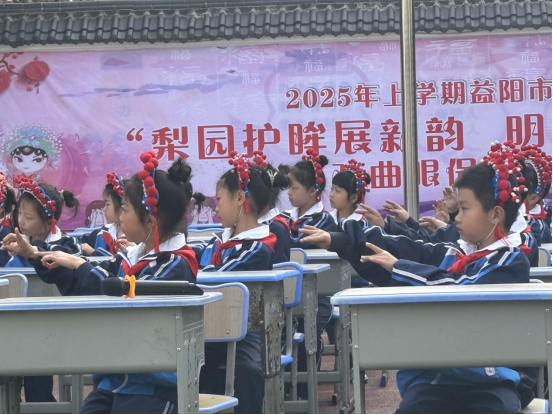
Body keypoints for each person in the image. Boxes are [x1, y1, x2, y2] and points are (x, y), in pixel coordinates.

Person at [301, 142, 537, 414]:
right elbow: (410, 248)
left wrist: (399, 267)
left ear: (495, 214)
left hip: (495, 381)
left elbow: (460, 288)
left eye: (464, 209)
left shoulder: (510, 260)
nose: (456, 218)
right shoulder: (455, 252)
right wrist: (339, 240)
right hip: (438, 378)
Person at [3, 152, 199, 414]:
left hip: (153, 386)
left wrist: (78, 264)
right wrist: (35, 254)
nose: (119, 217)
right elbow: (87, 283)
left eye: (125, 210)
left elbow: (119, 296)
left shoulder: (175, 264)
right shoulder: (132, 257)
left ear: (150, 221)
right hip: (116, 381)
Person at [194, 151, 288, 414]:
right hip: (209, 329)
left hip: (245, 334)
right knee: (185, 363)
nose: (215, 207)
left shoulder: (258, 248)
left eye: (219, 199)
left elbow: (215, 278)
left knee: (246, 371)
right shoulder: (220, 241)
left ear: (239, 198)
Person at [80, 173, 127, 256]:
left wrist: (94, 253)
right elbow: (81, 244)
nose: (104, 209)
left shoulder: (136, 238)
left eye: (107, 204)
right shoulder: (103, 232)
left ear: (122, 206)